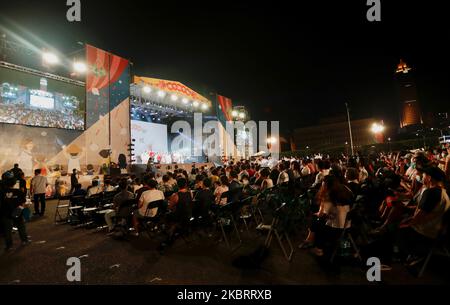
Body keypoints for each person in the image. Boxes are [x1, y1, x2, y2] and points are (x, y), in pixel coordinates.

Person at [397, 166, 450, 263]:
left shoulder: (431, 193)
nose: (422, 177)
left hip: (422, 233)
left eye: (424, 175)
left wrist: (405, 223)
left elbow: (417, 218)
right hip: (434, 232)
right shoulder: (444, 193)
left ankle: (403, 255)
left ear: (429, 178)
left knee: (395, 226)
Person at [0, 172, 31, 251]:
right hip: (17, 212)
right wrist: (18, 211)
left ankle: (9, 246)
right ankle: (24, 240)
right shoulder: (18, 191)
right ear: (14, 182)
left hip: (6, 213)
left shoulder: (1, 192)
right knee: (21, 226)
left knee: (7, 230)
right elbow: (24, 203)